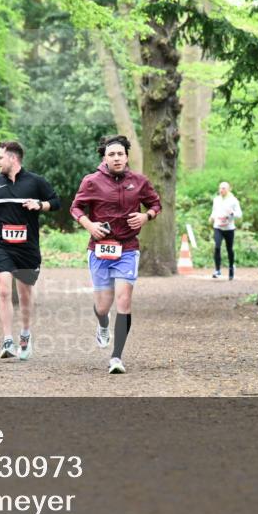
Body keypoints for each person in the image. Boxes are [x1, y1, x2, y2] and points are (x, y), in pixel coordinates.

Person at [71, 135, 161, 374]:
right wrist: (89, 225)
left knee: (124, 300)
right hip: (100, 249)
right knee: (103, 306)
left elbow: (155, 204)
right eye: (112, 154)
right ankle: (102, 324)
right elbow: (76, 207)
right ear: (105, 158)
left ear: (127, 156)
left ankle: (116, 357)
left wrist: (145, 216)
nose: (117, 158)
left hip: (128, 248)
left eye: (120, 153)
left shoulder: (139, 181)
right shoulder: (91, 182)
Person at [0, 141, 60, 362]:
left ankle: (25, 335)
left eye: (0, 158)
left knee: (24, 295)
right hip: (1, 245)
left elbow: (57, 202)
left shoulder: (35, 181)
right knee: (4, 291)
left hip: (27, 248)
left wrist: (40, 205)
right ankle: (7, 340)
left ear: (13, 159)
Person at [209, 181, 242, 280]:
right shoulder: (216, 200)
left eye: (223, 188)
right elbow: (215, 211)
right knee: (217, 246)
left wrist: (232, 213)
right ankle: (217, 270)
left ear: (228, 189)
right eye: (220, 188)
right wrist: (211, 217)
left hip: (229, 228)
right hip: (218, 227)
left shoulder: (233, 200)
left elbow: (239, 214)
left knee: (229, 249)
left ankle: (231, 268)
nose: (221, 190)